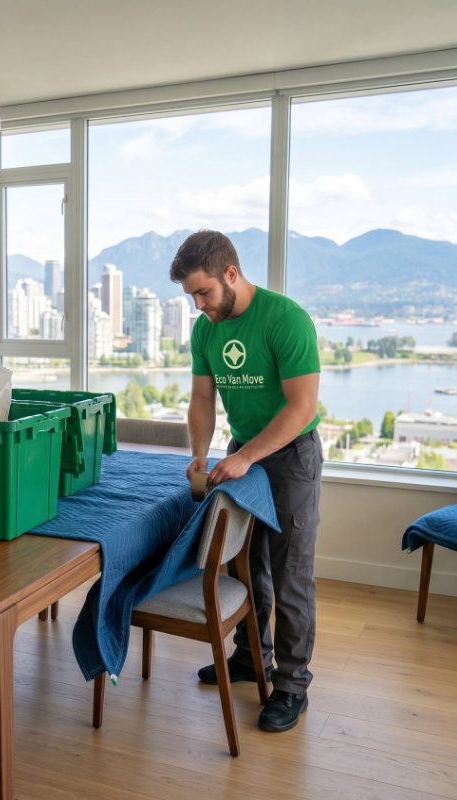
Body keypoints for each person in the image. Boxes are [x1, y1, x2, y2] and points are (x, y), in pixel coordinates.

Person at [169, 229, 322, 733]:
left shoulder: (286, 319)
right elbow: (202, 400)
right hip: (243, 455)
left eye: (204, 292)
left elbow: (302, 408)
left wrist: (247, 456)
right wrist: (199, 453)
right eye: (191, 295)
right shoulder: (205, 330)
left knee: (288, 572)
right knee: (244, 563)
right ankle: (250, 658)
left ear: (231, 274)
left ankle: (292, 685)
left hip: (290, 456)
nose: (198, 305)